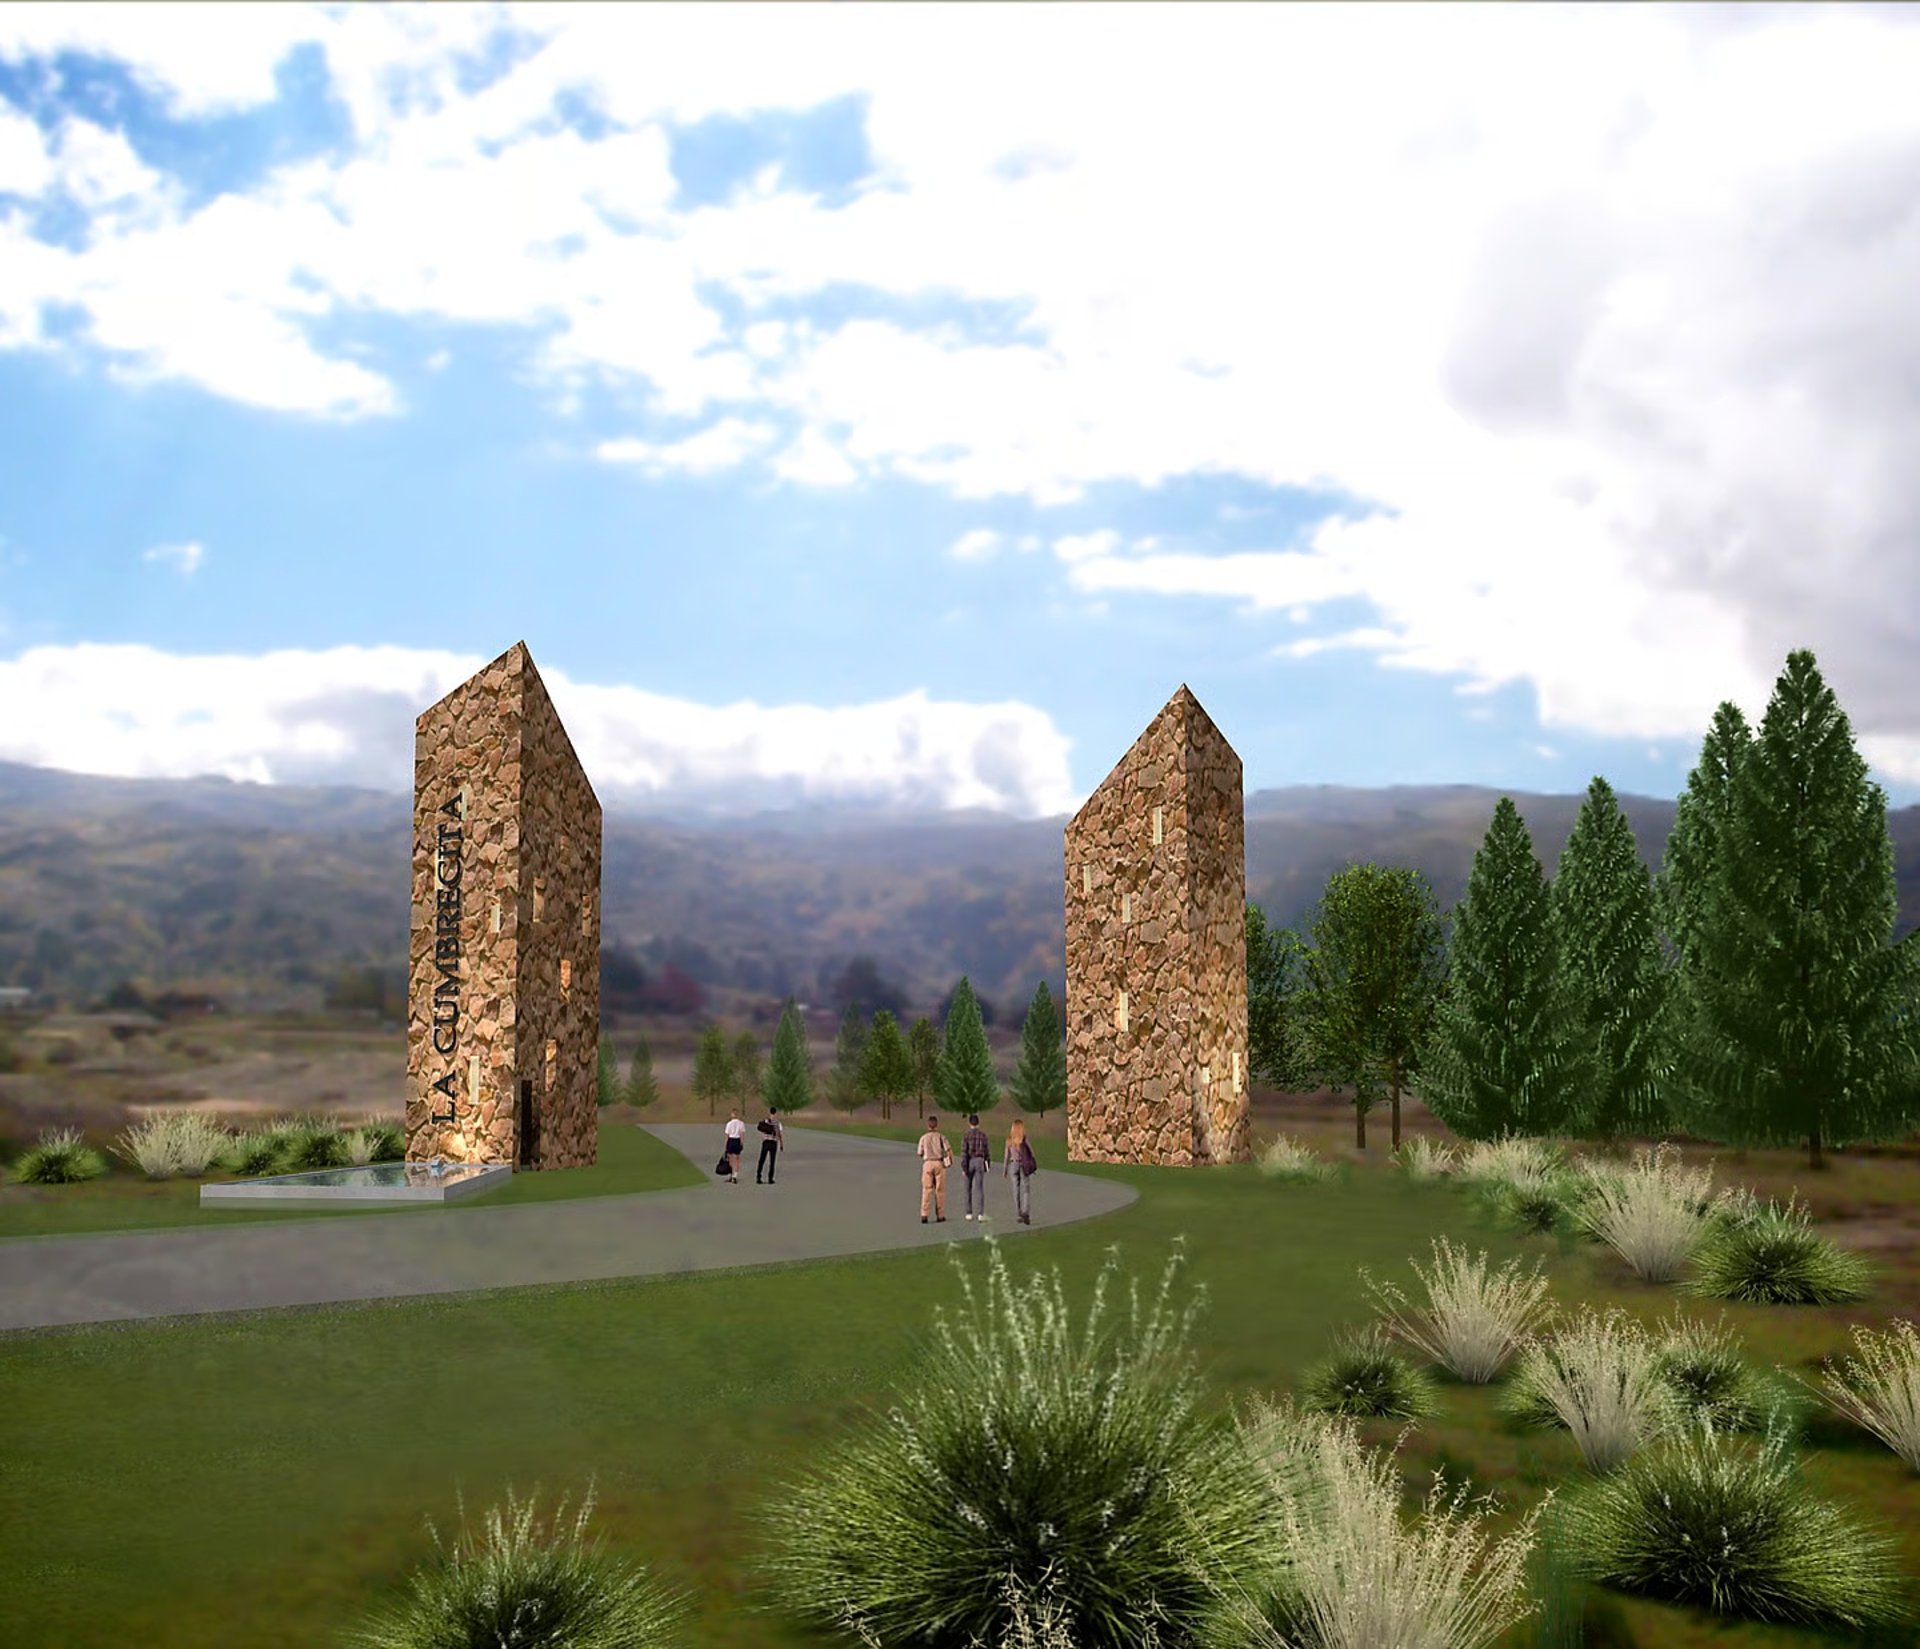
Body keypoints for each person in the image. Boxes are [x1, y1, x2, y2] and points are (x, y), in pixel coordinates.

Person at [917, 1113, 953, 1223]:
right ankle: (940, 1215)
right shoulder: (941, 1137)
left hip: (928, 1163)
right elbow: (948, 1150)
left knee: (927, 1190)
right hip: (938, 1163)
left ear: (928, 1125)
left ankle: (924, 1214)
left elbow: (919, 1152)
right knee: (939, 1190)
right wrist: (950, 1161)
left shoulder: (923, 1138)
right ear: (936, 1125)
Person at [960, 1112, 993, 1221]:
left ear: (970, 1123)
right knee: (979, 1188)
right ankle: (980, 1213)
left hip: (970, 1160)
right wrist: (987, 1164)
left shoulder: (966, 1135)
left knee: (967, 1187)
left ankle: (968, 1212)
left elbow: (964, 1152)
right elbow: (987, 1151)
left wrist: (964, 1167)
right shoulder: (983, 1135)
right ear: (978, 1123)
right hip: (980, 1160)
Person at [1005, 1117, 1036, 1226]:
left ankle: (1018, 1214)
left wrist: (1005, 1169)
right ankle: (1025, 1212)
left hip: (1013, 1164)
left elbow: (1006, 1156)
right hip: (1023, 1165)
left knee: (1016, 1190)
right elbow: (1032, 1152)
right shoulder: (1024, 1139)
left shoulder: (1009, 1140)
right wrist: (1032, 1162)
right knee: (1026, 1190)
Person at [755, 1106, 784, 1184]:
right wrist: (781, 1144)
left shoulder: (765, 1121)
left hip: (766, 1141)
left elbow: (761, 1129)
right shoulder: (778, 1123)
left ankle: (758, 1177)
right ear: (775, 1113)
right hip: (773, 1142)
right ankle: (770, 1178)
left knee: (762, 1159)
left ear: (769, 1112)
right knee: (772, 1161)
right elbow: (779, 1134)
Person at [723, 1107, 745, 1184]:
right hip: (737, 1140)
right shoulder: (741, 1123)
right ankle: (735, 1176)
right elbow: (742, 1134)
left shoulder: (729, 1124)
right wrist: (742, 1143)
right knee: (737, 1159)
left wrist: (726, 1145)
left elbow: (727, 1135)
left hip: (731, 1140)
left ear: (732, 1114)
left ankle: (731, 1175)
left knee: (731, 1159)